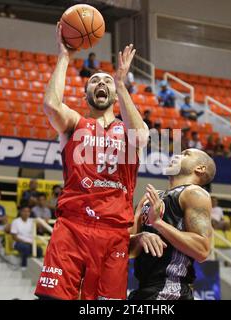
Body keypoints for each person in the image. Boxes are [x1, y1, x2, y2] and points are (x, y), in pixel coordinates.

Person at [35, 23, 148, 300]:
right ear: (86, 95)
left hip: (114, 232)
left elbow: (142, 137)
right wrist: (64, 56)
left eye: (106, 81)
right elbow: (51, 105)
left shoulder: (127, 130)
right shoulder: (76, 123)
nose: (101, 83)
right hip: (73, 226)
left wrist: (121, 83)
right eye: (95, 81)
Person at [129, 149, 215, 300]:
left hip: (171, 290)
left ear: (200, 168)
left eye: (186, 154)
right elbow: (129, 252)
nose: (176, 155)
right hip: (143, 289)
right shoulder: (151, 198)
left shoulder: (194, 193)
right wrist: (140, 236)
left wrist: (158, 223)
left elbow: (202, 250)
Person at [11, 205, 43, 270]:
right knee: (26, 247)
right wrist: (26, 242)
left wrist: (40, 225)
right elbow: (14, 237)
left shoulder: (32, 221)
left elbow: (40, 229)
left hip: (30, 243)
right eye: (24, 211)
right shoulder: (16, 221)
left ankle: (38, 268)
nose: (26, 213)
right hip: (18, 242)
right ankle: (24, 266)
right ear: (20, 212)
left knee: (39, 250)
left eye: (28, 211)